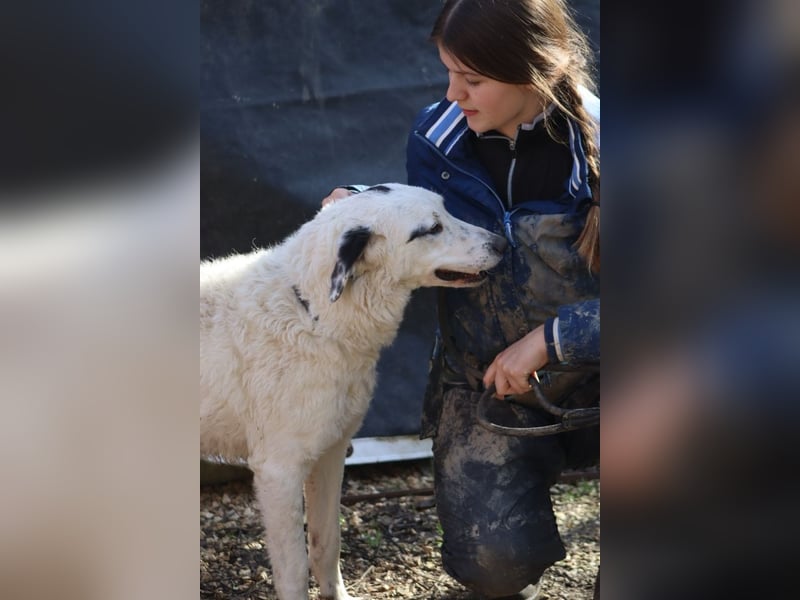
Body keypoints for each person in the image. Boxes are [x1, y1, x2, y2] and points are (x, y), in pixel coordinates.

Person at [323, 1, 600, 598]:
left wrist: (551, 341)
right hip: (492, 385)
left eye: (472, 79)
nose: (453, 95)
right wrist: (361, 203)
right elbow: (425, 228)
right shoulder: (437, 137)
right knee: (490, 559)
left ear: (538, 69)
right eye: (449, 72)